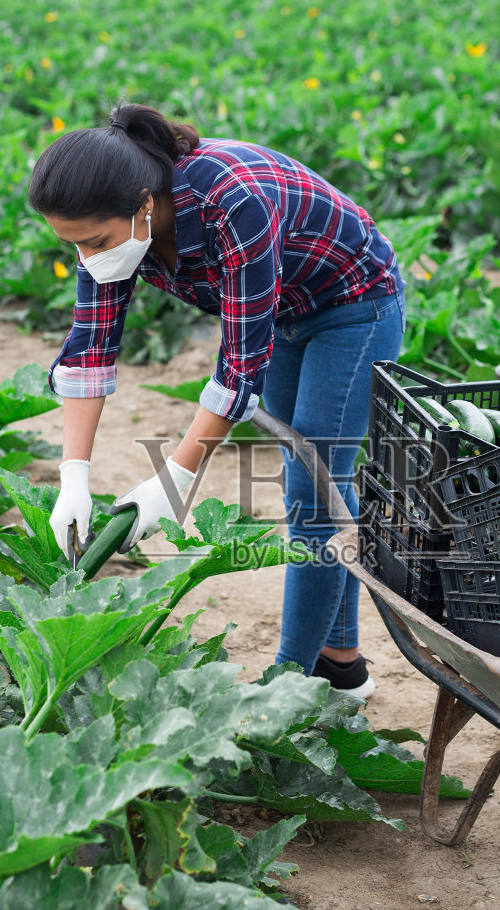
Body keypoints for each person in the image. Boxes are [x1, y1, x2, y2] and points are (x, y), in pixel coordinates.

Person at [30, 103, 404, 700]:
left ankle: (287, 686)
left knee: (315, 477)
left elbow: (238, 368)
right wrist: (73, 476)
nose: (89, 258)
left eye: (96, 242)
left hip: (354, 304)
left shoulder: (232, 201)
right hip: (281, 312)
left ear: (144, 205)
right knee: (312, 478)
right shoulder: (110, 231)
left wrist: (174, 478)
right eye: (75, 246)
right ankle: (341, 663)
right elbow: (90, 349)